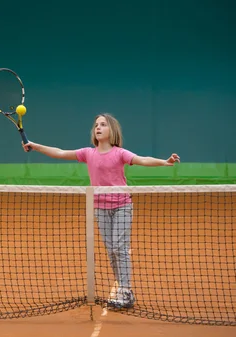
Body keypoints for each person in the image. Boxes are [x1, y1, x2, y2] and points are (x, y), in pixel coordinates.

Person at [22, 113, 180, 309]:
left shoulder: (119, 153)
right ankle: (125, 290)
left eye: (103, 124)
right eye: (96, 125)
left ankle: (125, 290)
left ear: (111, 130)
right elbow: (60, 152)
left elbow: (142, 159)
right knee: (111, 251)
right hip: (100, 208)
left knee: (119, 249)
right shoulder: (88, 153)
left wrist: (165, 162)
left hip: (122, 206)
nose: (98, 127)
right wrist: (35, 146)